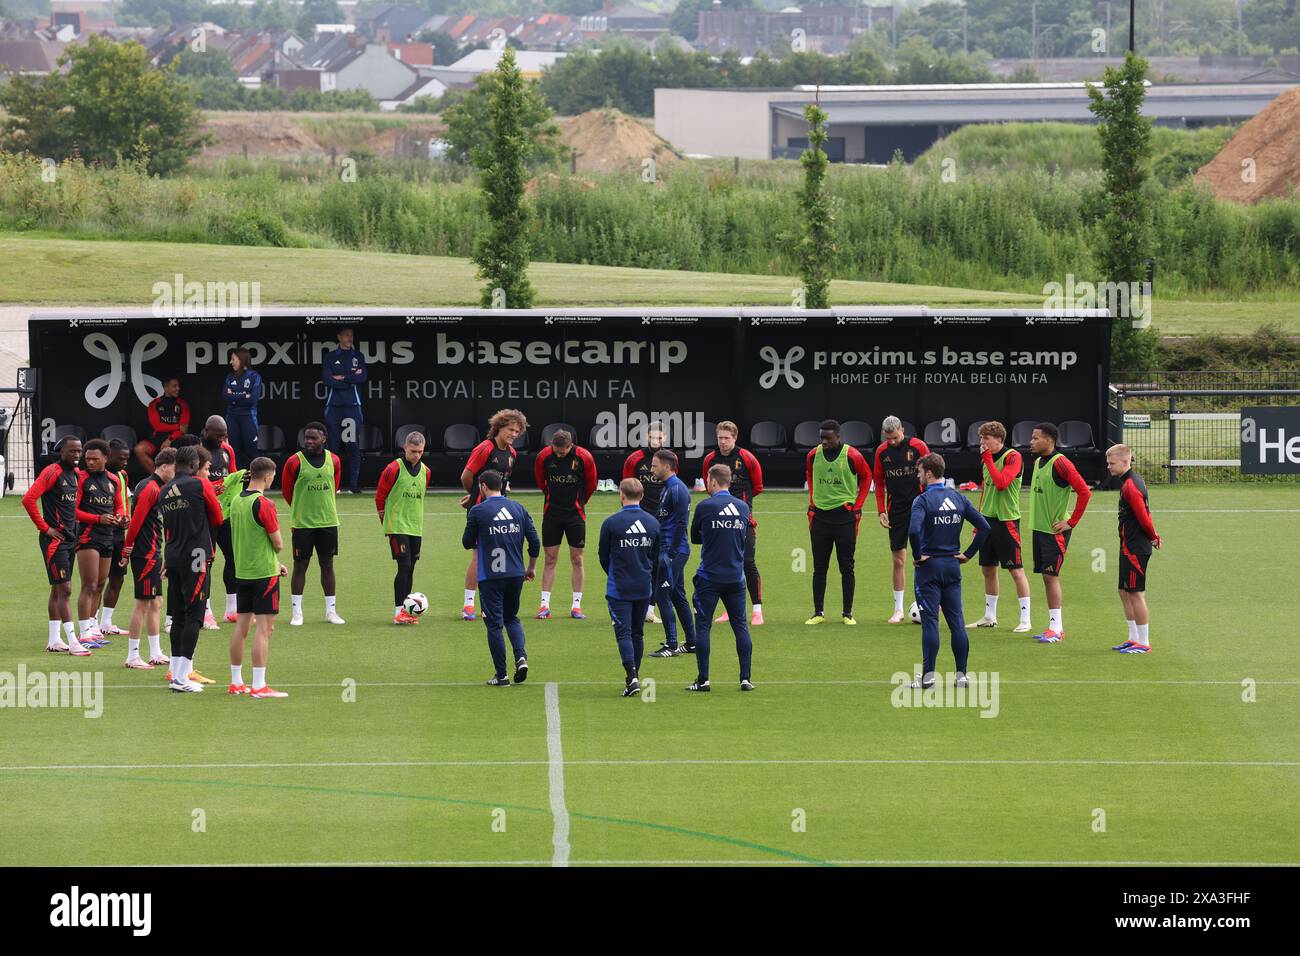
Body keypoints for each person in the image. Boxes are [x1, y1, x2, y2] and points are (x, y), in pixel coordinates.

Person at [907, 453, 990, 689]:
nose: (919, 476)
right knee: (957, 622)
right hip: (953, 566)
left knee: (931, 623)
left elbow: (913, 531)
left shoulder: (922, 501)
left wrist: (916, 555)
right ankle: (961, 676)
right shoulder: (958, 498)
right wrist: (967, 554)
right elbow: (984, 527)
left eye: (920, 471)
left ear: (929, 473)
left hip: (928, 567)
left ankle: (928, 678)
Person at [462, 470, 539, 687]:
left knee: (494, 625)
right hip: (516, 574)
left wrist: (474, 523)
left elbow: (467, 542)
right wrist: (530, 568)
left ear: (483, 486)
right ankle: (521, 657)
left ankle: (502, 675)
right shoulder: (519, 508)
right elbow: (534, 542)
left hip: (490, 577)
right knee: (512, 618)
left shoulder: (478, 511)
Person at [685, 464, 755, 693]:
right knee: (740, 626)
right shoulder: (743, 507)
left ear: (713, 481)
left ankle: (703, 680)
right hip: (736, 577)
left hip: (709, 577)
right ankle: (745, 678)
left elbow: (695, 537)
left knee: (703, 627)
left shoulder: (705, 507)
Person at [159, 445, 224, 693]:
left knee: (177, 616)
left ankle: (176, 673)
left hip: (173, 555)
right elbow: (217, 517)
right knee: (195, 615)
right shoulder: (199, 485)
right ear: (195, 464)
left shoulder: (163, 491)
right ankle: (183, 677)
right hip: (196, 555)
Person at [228, 457, 290, 698]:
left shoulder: (235, 501)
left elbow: (250, 538)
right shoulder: (264, 504)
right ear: (267, 476)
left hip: (242, 572)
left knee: (241, 627)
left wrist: (277, 563)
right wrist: (275, 559)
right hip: (264, 574)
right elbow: (278, 543)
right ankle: (259, 685)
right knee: (264, 629)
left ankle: (236, 682)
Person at [1026, 422, 1092, 644]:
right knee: (1046, 576)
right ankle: (1052, 627)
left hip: (1055, 532)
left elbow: (1084, 491)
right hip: (1040, 529)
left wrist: (1071, 522)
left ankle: (1057, 629)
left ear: (1049, 440)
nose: (1031, 441)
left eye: (1036, 438)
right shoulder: (1037, 462)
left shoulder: (1061, 463)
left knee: (1051, 576)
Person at [459, 408, 526, 621]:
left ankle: (488, 605)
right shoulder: (484, 449)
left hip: (500, 511)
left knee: (497, 555)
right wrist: (474, 496)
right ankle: (468, 604)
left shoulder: (512, 454)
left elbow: (503, 485)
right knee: (479, 556)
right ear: (499, 427)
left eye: (517, 431)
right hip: (480, 511)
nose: (513, 434)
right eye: (510, 429)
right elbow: (466, 476)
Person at [804, 419, 872, 626]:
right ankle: (818, 612)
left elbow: (867, 477)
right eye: (821, 438)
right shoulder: (813, 455)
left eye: (828, 438)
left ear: (838, 437)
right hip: (820, 519)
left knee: (847, 567)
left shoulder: (852, 455)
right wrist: (812, 502)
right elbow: (810, 473)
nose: (824, 442)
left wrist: (857, 505)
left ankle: (847, 613)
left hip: (845, 518)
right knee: (819, 568)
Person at [967, 421, 1033, 633]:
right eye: (981, 438)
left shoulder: (1013, 456)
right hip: (986, 521)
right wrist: (978, 520)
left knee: (1016, 570)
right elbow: (986, 489)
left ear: (998, 439)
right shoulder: (986, 459)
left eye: (986, 438)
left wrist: (986, 459)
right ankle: (989, 617)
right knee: (987, 569)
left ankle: (1025, 619)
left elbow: (1001, 482)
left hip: (1007, 520)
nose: (982, 443)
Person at [23, 436, 86, 655]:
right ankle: (73, 641)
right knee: (65, 589)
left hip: (70, 538)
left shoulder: (76, 474)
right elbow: (28, 499)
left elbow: (71, 508)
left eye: (79, 451)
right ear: (61, 452)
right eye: (72, 451)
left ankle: (54, 640)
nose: (77, 455)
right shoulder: (52, 471)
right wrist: (45, 528)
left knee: (57, 589)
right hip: (54, 541)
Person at [598, 478, 660, 697]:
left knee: (623, 633)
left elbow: (603, 557)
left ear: (621, 495)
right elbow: (656, 558)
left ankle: (632, 677)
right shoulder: (652, 523)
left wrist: (616, 573)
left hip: (619, 588)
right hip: (643, 587)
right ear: (642, 496)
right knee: (638, 633)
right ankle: (634, 677)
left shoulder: (611, 523)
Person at [702, 421, 765, 626]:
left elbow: (757, 486)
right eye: (720, 438)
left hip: (743, 520)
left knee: (747, 562)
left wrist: (742, 507)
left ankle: (757, 610)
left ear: (735, 438)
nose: (722, 442)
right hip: (718, 522)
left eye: (726, 438)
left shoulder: (746, 458)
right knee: (727, 563)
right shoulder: (710, 459)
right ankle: (730, 610)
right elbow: (708, 486)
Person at [282, 422, 344, 627]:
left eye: (313, 438)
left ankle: (331, 611)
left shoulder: (334, 460)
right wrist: (301, 508)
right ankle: (297, 613)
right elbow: (287, 492)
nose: (308, 441)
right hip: (303, 524)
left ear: (324, 438)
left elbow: (334, 485)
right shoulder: (294, 462)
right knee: (300, 566)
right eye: (306, 437)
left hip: (328, 521)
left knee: (327, 565)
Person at [120, 447, 176, 669]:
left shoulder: (157, 487)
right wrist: (127, 549)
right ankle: (132, 656)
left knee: (156, 603)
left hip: (154, 551)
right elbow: (135, 522)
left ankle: (155, 652)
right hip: (145, 554)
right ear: (163, 467)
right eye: (174, 468)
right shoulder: (150, 488)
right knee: (142, 604)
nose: (177, 472)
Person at [533, 429, 597, 620]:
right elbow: (541, 482)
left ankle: (576, 606)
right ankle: (544, 605)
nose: (559, 454)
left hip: (575, 515)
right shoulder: (543, 456)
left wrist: (579, 502)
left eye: (563, 452)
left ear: (570, 446)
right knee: (550, 559)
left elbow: (591, 484)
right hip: (552, 514)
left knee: (577, 559)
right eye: (556, 451)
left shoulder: (584, 457)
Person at [872, 416, 930, 624]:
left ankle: (926, 604)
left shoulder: (918, 446)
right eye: (889, 439)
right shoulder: (881, 451)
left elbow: (932, 475)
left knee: (923, 559)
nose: (893, 442)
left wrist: (931, 504)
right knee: (898, 560)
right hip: (895, 511)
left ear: (902, 430)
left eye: (895, 438)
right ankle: (898, 609)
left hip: (921, 509)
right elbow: (878, 482)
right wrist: (881, 511)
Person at [1105, 444, 1162, 654]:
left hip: (1135, 547)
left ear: (1124, 461)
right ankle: (1133, 637)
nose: (1109, 467)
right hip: (1128, 545)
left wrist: (1153, 536)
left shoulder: (1130, 486)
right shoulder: (1130, 482)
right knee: (1124, 591)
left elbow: (1143, 516)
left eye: (1111, 463)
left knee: (1136, 594)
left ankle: (1144, 643)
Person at [74, 438, 128, 646]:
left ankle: (93, 627)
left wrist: (121, 517)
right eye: (88, 459)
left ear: (106, 458)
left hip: (108, 536)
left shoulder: (113, 480)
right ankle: (84, 632)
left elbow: (119, 506)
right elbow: (74, 511)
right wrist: (98, 519)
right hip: (88, 536)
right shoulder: (80, 479)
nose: (90, 462)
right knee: (89, 584)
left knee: (100, 584)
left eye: (95, 459)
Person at [376, 431, 431, 625]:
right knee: (404, 566)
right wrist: (386, 522)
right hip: (397, 525)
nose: (416, 455)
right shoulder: (393, 468)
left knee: (412, 567)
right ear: (405, 448)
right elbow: (380, 497)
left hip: (416, 526)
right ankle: (399, 611)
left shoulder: (426, 471)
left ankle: (407, 612)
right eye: (413, 451)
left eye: (420, 451)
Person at [648, 450, 697, 658]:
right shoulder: (669, 488)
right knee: (678, 595)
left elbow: (679, 524)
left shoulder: (677, 489)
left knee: (662, 595)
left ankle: (671, 645)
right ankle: (692, 642)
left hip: (672, 552)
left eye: (655, 465)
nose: (651, 469)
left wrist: (671, 553)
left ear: (667, 467)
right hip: (669, 550)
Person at [622, 421, 671, 624]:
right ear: (646, 437)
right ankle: (629, 605)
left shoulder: (670, 459)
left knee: (658, 566)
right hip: (639, 520)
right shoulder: (634, 459)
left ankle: (649, 609)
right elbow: (626, 488)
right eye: (652, 437)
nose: (656, 441)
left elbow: (672, 487)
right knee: (636, 564)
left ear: (665, 439)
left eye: (659, 438)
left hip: (662, 521)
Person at [200, 417, 238, 628]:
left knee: (234, 557)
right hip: (204, 516)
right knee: (206, 563)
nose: (222, 439)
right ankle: (206, 611)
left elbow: (232, 476)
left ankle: (232, 609)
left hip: (226, 514)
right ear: (206, 431)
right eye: (218, 435)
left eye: (224, 435)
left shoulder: (227, 450)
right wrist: (212, 488)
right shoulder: (196, 451)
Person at [322, 327, 367, 495]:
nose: (350, 338)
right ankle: (333, 485)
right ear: (339, 337)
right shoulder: (331, 357)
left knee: (352, 445)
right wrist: (349, 378)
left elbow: (362, 378)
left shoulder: (358, 356)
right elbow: (328, 379)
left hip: (352, 408)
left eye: (352, 335)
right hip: (334, 407)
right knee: (333, 446)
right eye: (347, 335)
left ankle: (353, 484)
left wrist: (342, 377)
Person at [96, 438, 133, 637]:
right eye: (121, 459)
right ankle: (91, 623)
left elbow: (123, 501)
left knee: (118, 578)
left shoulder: (123, 475)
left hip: (119, 533)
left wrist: (126, 518)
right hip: (101, 533)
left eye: (127, 459)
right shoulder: (96, 476)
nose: (125, 462)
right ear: (108, 456)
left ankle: (106, 623)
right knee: (98, 581)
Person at [134, 376, 190, 474]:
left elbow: (183, 430)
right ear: (166, 387)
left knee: (169, 451)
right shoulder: (154, 404)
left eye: (178, 386)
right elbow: (157, 426)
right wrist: (178, 426)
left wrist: (170, 439)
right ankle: (158, 479)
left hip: (176, 437)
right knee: (139, 449)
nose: (178, 388)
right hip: (158, 437)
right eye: (174, 386)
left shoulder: (183, 404)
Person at [222, 348, 261, 469]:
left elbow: (253, 399)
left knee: (252, 452)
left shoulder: (254, 376)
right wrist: (244, 395)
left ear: (242, 360)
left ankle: (255, 482)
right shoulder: (230, 376)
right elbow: (225, 396)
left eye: (233, 359)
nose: (231, 362)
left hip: (248, 418)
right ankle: (237, 483)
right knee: (233, 452)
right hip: (232, 417)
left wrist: (234, 397)